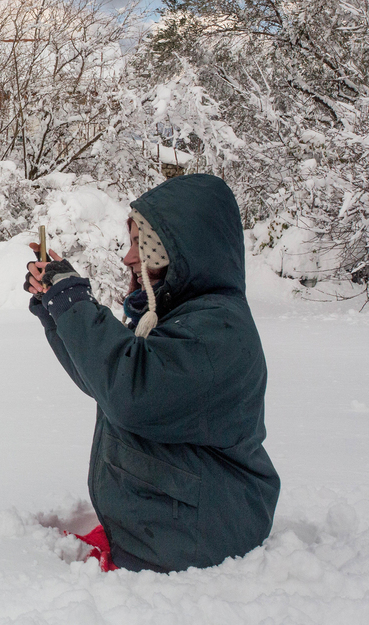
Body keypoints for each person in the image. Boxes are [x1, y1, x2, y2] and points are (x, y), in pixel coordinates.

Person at [24, 173, 280, 572]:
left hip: (203, 536)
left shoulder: (217, 330)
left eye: (140, 245)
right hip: (188, 521)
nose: (128, 258)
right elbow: (105, 381)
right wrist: (57, 309)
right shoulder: (186, 318)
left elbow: (131, 393)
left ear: (177, 252)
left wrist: (72, 302)